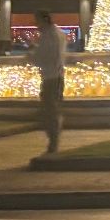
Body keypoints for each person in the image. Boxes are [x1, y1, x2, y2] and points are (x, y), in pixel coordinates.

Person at [28, 9, 67, 153]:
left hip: (50, 77)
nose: (36, 25)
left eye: (37, 21)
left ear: (44, 20)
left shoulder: (48, 36)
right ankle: (54, 140)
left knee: (49, 111)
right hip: (57, 76)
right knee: (53, 109)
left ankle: (53, 141)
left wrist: (31, 54)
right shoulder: (58, 33)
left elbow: (44, 57)